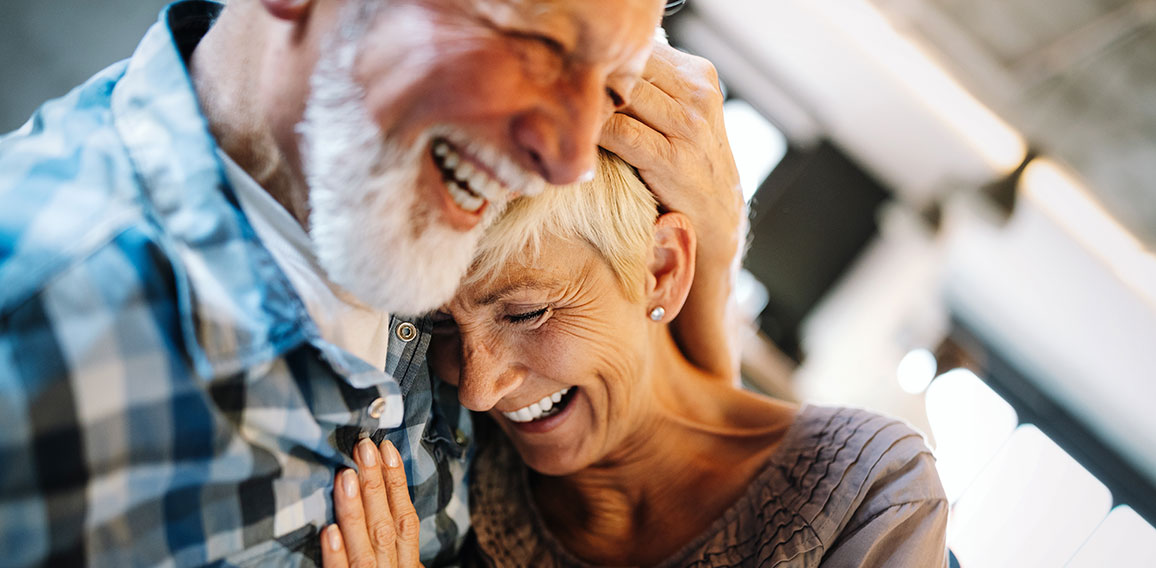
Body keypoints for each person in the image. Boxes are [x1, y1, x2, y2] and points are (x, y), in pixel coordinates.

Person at [0, 0, 746, 565]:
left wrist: (714, 242)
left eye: (611, 90)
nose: (567, 161)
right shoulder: (42, 339)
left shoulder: (423, 212)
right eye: (540, 43)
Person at [327, 151, 950, 567]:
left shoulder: (866, 494)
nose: (479, 390)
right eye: (439, 324)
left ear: (663, 267)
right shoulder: (449, 454)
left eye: (526, 313)